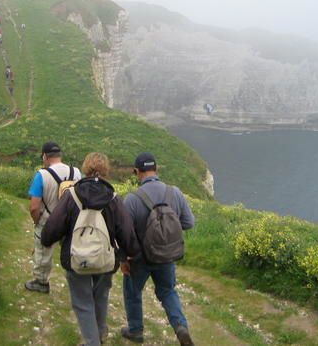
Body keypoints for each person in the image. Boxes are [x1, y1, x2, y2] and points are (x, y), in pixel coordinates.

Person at [42, 152, 140, 346]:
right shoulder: (113, 198)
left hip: (76, 257)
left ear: (85, 168)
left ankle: (91, 341)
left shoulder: (72, 195)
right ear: (106, 171)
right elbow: (126, 231)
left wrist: (47, 240)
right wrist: (130, 253)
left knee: (82, 302)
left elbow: (53, 227)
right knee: (101, 296)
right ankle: (100, 334)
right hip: (105, 259)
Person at [121, 153, 196, 346]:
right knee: (167, 291)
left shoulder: (132, 199)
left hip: (140, 258)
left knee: (132, 291)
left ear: (136, 172)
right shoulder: (175, 193)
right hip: (166, 256)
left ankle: (136, 330)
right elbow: (188, 223)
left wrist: (123, 259)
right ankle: (181, 327)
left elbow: (124, 234)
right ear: (157, 169)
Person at [25, 142, 82, 293]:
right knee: (72, 250)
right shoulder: (76, 172)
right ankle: (77, 282)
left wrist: (37, 221)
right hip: (70, 220)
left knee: (43, 251)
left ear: (45, 156)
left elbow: (34, 206)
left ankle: (41, 281)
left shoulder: (42, 175)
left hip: (48, 220)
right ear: (60, 155)